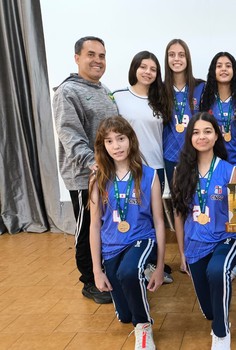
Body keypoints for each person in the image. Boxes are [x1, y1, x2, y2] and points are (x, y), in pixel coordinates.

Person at [89, 116, 165, 350]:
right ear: (103, 147)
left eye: (120, 139)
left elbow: (160, 222)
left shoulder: (149, 175)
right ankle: (132, 304)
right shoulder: (97, 178)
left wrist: (161, 266)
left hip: (142, 238)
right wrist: (96, 271)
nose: (116, 146)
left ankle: (144, 327)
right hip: (112, 246)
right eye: (109, 141)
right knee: (123, 315)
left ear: (130, 140)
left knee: (128, 271)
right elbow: (94, 226)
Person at [53, 36, 118, 304]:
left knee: (104, 225)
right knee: (87, 228)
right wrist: (93, 164)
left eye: (102, 55)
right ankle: (89, 282)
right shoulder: (67, 92)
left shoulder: (102, 89)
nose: (98, 60)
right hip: (85, 177)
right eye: (91, 54)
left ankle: (104, 272)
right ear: (77, 57)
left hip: (108, 174)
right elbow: (70, 135)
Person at [171, 112, 236, 350]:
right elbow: (178, 215)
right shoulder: (179, 172)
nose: (202, 137)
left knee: (217, 270)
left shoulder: (232, 170)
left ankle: (221, 333)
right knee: (209, 311)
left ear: (216, 136)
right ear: (190, 137)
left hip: (226, 238)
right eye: (196, 132)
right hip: (195, 244)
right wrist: (182, 253)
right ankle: (221, 287)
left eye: (207, 131)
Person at [113, 51, 167, 193]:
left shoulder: (161, 100)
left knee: (155, 212)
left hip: (156, 165)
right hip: (126, 166)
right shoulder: (118, 96)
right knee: (130, 212)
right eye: (143, 67)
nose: (148, 72)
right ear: (134, 68)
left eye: (153, 69)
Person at [162, 39, 206, 188]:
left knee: (199, 199)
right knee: (176, 203)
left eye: (181, 55)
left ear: (187, 58)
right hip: (170, 156)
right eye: (172, 55)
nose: (176, 59)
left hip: (196, 154)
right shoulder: (160, 89)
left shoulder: (201, 87)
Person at [200, 52, 236, 170]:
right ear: (213, 71)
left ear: (234, 71)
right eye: (219, 66)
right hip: (214, 162)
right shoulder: (206, 99)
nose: (224, 69)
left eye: (228, 66)